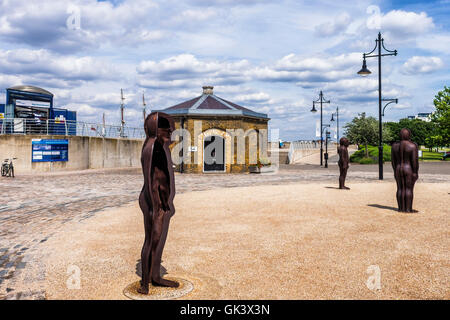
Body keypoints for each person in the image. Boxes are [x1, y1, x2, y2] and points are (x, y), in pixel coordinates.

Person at [138, 112, 178, 294]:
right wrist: (157, 207)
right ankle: (145, 283)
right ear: (156, 129)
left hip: (163, 203)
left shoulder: (161, 146)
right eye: (167, 129)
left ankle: (155, 276)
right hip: (155, 203)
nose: (170, 132)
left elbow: (163, 177)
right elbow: (150, 180)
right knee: (152, 241)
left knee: (159, 240)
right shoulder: (152, 147)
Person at [391, 128, 419, 212]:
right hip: (408, 168)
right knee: (408, 189)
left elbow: (393, 161)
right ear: (409, 135)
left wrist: (395, 170)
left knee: (400, 188)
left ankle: (401, 208)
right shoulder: (412, 146)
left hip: (398, 168)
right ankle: (408, 209)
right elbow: (414, 161)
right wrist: (415, 172)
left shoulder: (394, 146)